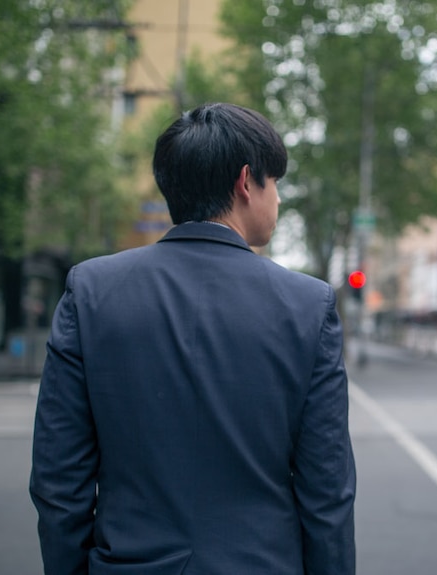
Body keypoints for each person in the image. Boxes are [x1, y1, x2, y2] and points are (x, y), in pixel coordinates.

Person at [30, 103, 356, 575]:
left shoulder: (91, 291)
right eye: (275, 183)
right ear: (247, 182)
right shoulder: (307, 305)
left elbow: (58, 480)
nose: (279, 200)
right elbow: (327, 494)